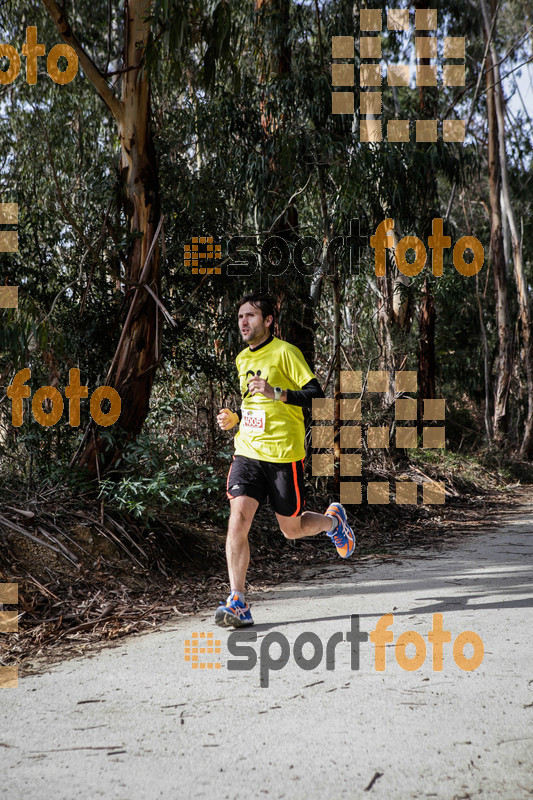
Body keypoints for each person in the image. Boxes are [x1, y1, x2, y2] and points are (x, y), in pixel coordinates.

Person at [214, 292, 355, 628]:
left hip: (284, 455)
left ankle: (334, 522)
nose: (244, 322)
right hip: (248, 451)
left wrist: (277, 392)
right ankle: (238, 601)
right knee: (238, 519)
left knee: (291, 530)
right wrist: (235, 417)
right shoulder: (240, 360)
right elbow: (252, 405)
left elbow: (316, 395)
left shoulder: (286, 353)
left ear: (268, 321)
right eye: (240, 317)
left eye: (250, 316)